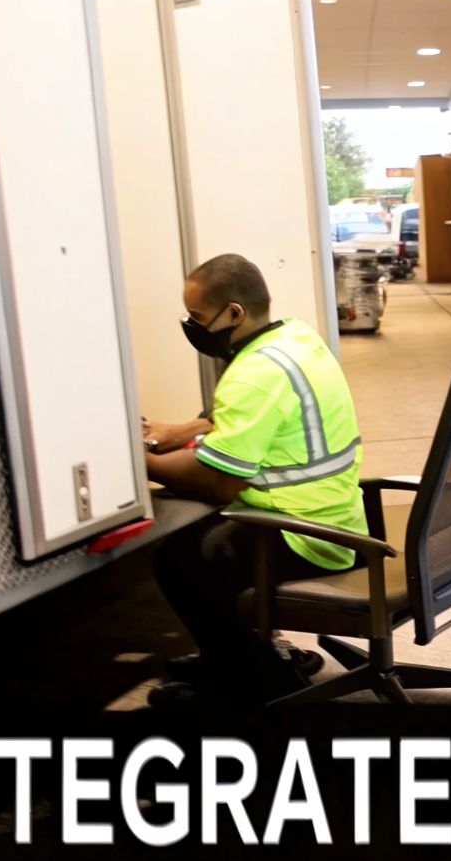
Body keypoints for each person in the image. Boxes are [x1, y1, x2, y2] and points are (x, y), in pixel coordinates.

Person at [142, 254, 366, 707]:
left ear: (234, 313)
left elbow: (219, 480)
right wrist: (189, 428)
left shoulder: (253, 374)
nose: (193, 326)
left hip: (307, 533)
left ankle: (250, 678)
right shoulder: (295, 337)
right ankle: (246, 654)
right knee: (202, 541)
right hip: (339, 513)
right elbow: (257, 415)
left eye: (198, 318)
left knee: (183, 560)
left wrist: (132, 459)